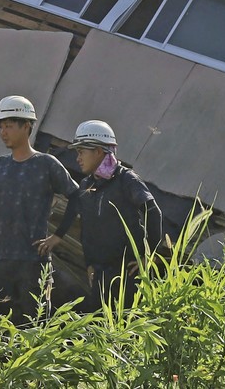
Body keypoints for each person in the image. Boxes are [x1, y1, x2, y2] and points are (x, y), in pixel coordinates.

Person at [0, 95, 78, 324]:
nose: (3, 132)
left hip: (34, 261)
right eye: (1, 127)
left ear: (27, 127)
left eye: (9, 126)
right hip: (1, 259)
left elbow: (76, 196)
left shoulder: (46, 164)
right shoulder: (0, 166)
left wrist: (57, 236)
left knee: (34, 324)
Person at [40, 120, 164, 308]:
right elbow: (87, 229)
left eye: (81, 152)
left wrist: (149, 255)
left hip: (129, 273)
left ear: (98, 151)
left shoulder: (126, 180)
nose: (77, 158)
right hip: (100, 274)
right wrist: (90, 263)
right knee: (99, 322)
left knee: (126, 322)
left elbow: (153, 212)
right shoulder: (86, 185)